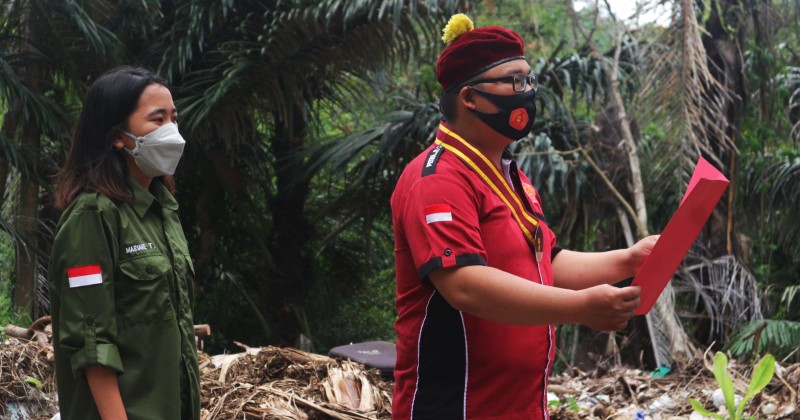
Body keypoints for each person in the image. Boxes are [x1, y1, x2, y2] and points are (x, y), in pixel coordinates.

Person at [391, 14, 658, 419]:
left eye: (530, 80)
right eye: (515, 81)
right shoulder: (437, 177)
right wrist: (580, 308)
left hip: (520, 407)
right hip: (457, 407)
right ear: (469, 98)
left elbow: (545, 263)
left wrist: (629, 260)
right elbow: (463, 284)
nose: (527, 92)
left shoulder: (512, 176)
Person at [48, 66, 200, 420]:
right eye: (157, 119)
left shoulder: (163, 212)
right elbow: (91, 343)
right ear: (118, 135)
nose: (172, 132)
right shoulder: (92, 217)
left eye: (174, 118)